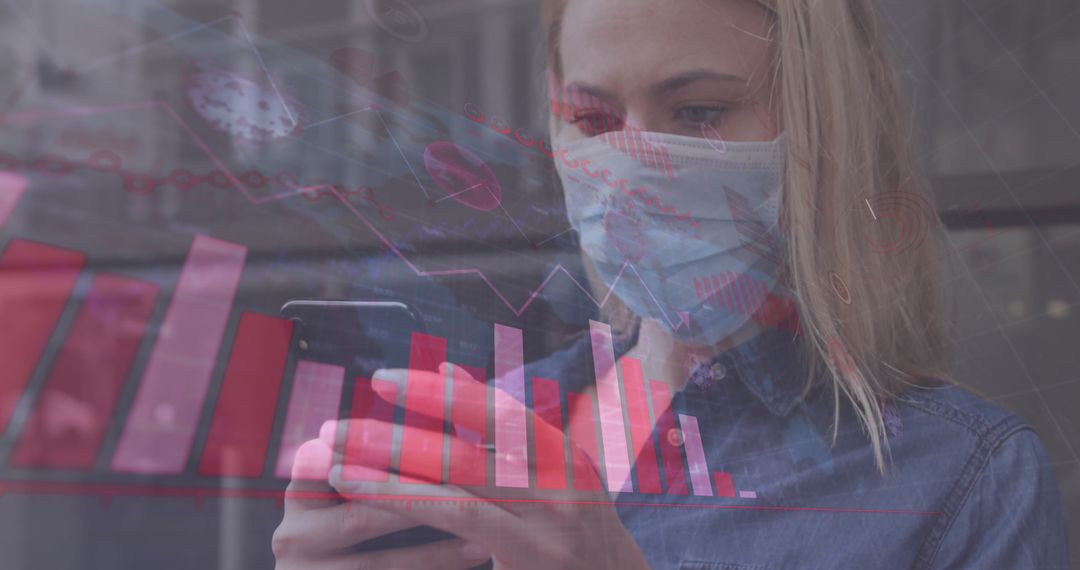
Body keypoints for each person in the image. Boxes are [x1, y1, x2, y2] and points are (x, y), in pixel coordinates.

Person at [273, 0, 1071, 568]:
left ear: (824, 128)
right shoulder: (487, 432)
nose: (633, 168)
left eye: (697, 112)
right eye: (593, 121)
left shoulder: (962, 476)